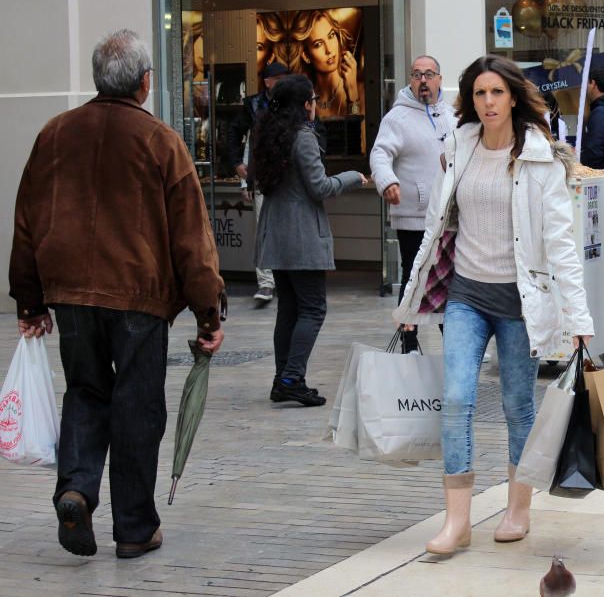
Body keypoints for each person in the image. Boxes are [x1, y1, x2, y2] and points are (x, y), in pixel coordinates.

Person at [9, 29, 226, 559]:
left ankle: (77, 489)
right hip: (138, 297)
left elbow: (26, 221)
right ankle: (133, 528)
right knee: (138, 407)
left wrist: (30, 301)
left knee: (85, 392)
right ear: (146, 83)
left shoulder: (54, 134)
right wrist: (208, 310)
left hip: (73, 297)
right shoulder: (160, 142)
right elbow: (190, 236)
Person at [394, 55, 594, 556]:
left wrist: (578, 319)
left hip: (520, 303)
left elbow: (561, 244)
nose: (488, 103)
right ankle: (456, 522)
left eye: (497, 93)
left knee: (516, 406)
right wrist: (411, 302)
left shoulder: (540, 157)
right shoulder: (458, 146)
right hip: (466, 294)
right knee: (458, 398)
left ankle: (517, 508)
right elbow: (437, 226)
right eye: (479, 94)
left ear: (513, 97)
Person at [253, 75, 368, 407]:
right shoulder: (303, 137)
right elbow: (320, 187)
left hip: (277, 233)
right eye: (313, 100)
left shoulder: (271, 133)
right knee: (313, 308)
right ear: (306, 105)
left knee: (289, 309)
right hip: (300, 236)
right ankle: (292, 378)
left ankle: (282, 378)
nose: (316, 105)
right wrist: (353, 177)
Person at [370, 55, 455, 353]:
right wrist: (387, 181)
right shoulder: (397, 117)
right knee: (413, 276)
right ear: (410, 79)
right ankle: (409, 340)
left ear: (439, 79)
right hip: (413, 213)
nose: (423, 80)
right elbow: (380, 154)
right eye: (417, 74)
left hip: (448, 215)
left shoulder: (451, 114)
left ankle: (456, 345)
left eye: (429, 74)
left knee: (448, 277)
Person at [229, 62, 290, 306]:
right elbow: (239, 137)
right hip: (264, 177)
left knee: (285, 229)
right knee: (264, 229)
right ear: (267, 81)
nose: (283, 82)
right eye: (279, 78)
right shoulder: (254, 105)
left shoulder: (292, 103)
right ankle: (266, 282)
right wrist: (240, 170)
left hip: (287, 178)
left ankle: (283, 279)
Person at [289, 9, 362, 119]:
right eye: (318, 44)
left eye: (331, 35)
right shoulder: (301, 100)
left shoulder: (361, 90)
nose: (329, 50)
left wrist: (352, 97)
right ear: (306, 56)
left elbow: (359, 134)